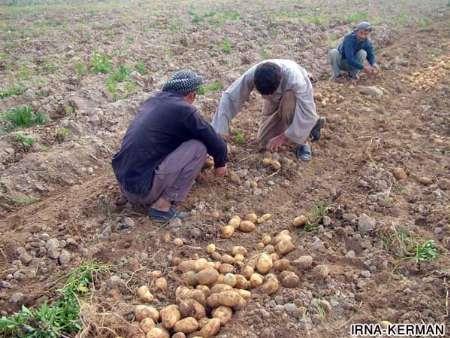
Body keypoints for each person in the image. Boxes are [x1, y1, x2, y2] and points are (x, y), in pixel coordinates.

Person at [112, 70, 228, 222]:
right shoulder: (184, 109)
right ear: (191, 95)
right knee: (198, 148)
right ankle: (162, 207)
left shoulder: (152, 102)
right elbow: (213, 140)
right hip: (143, 192)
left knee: (164, 142)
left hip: (124, 183)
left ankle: (130, 196)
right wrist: (221, 163)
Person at [211, 59, 325, 161]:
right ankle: (301, 125)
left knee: (290, 101)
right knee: (265, 142)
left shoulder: (296, 80)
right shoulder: (252, 75)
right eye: (263, 95)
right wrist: (219, 134)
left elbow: (307, 111)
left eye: (269, 95)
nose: (265, 98)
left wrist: (283, 137)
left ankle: (304, 142)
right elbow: (229, 98)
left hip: (293, 99)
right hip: (274, 99)